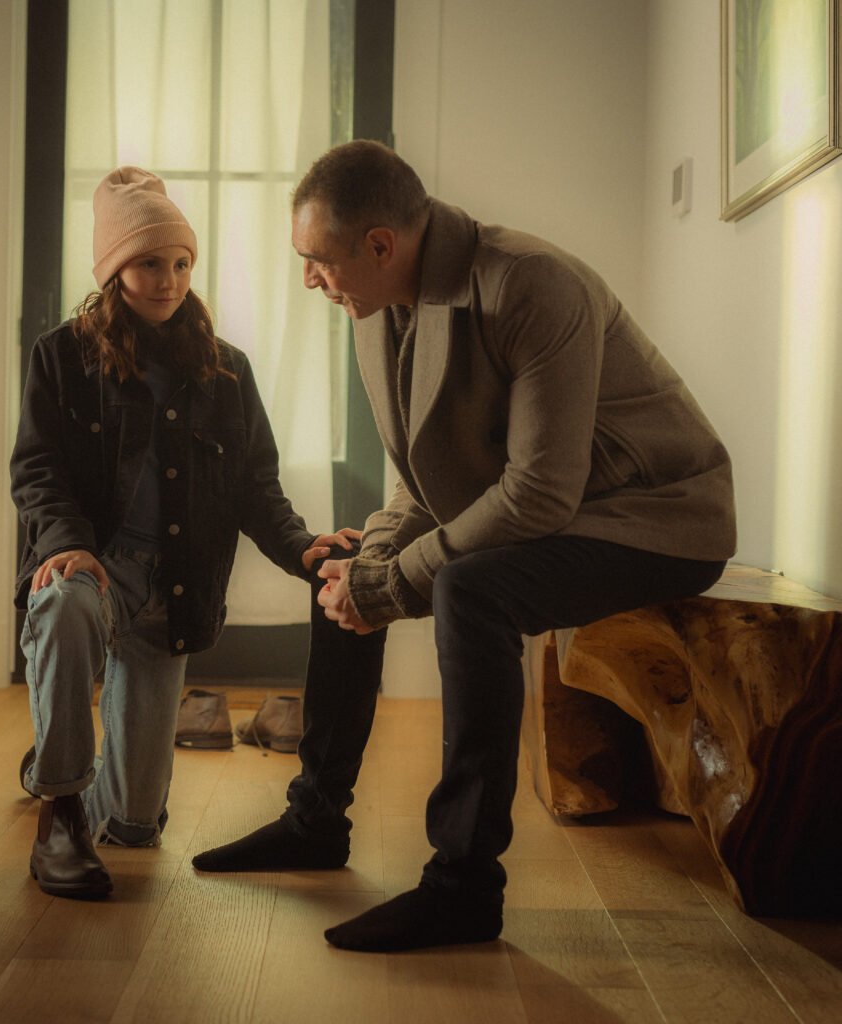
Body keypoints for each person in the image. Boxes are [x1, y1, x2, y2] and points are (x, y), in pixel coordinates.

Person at [192, 140, 736, 952]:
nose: (308, 279)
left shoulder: (532, 284)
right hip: (563, 509)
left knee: (468, 591)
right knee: (340, 562)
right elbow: (425, 477)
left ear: (381, 245)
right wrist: (365, 570)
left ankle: (463, 888)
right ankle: (314, 821)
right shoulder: (374, 308)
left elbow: (539, 492)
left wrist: (392, 587)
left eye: (317, 260)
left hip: (655, 517)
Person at [10, 166, 364, 898]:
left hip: (174, 588)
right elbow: (38, 469)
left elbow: (255, 486)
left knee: (138, 828)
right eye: (148, 263)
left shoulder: (225, 370)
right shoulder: (62, 357)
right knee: (63, 603)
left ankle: (58, 758)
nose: (168, 279)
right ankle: (60, 810)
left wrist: (303, 546)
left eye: (180, 263)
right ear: (113, 270)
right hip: (96, 569)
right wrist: (64, 545)